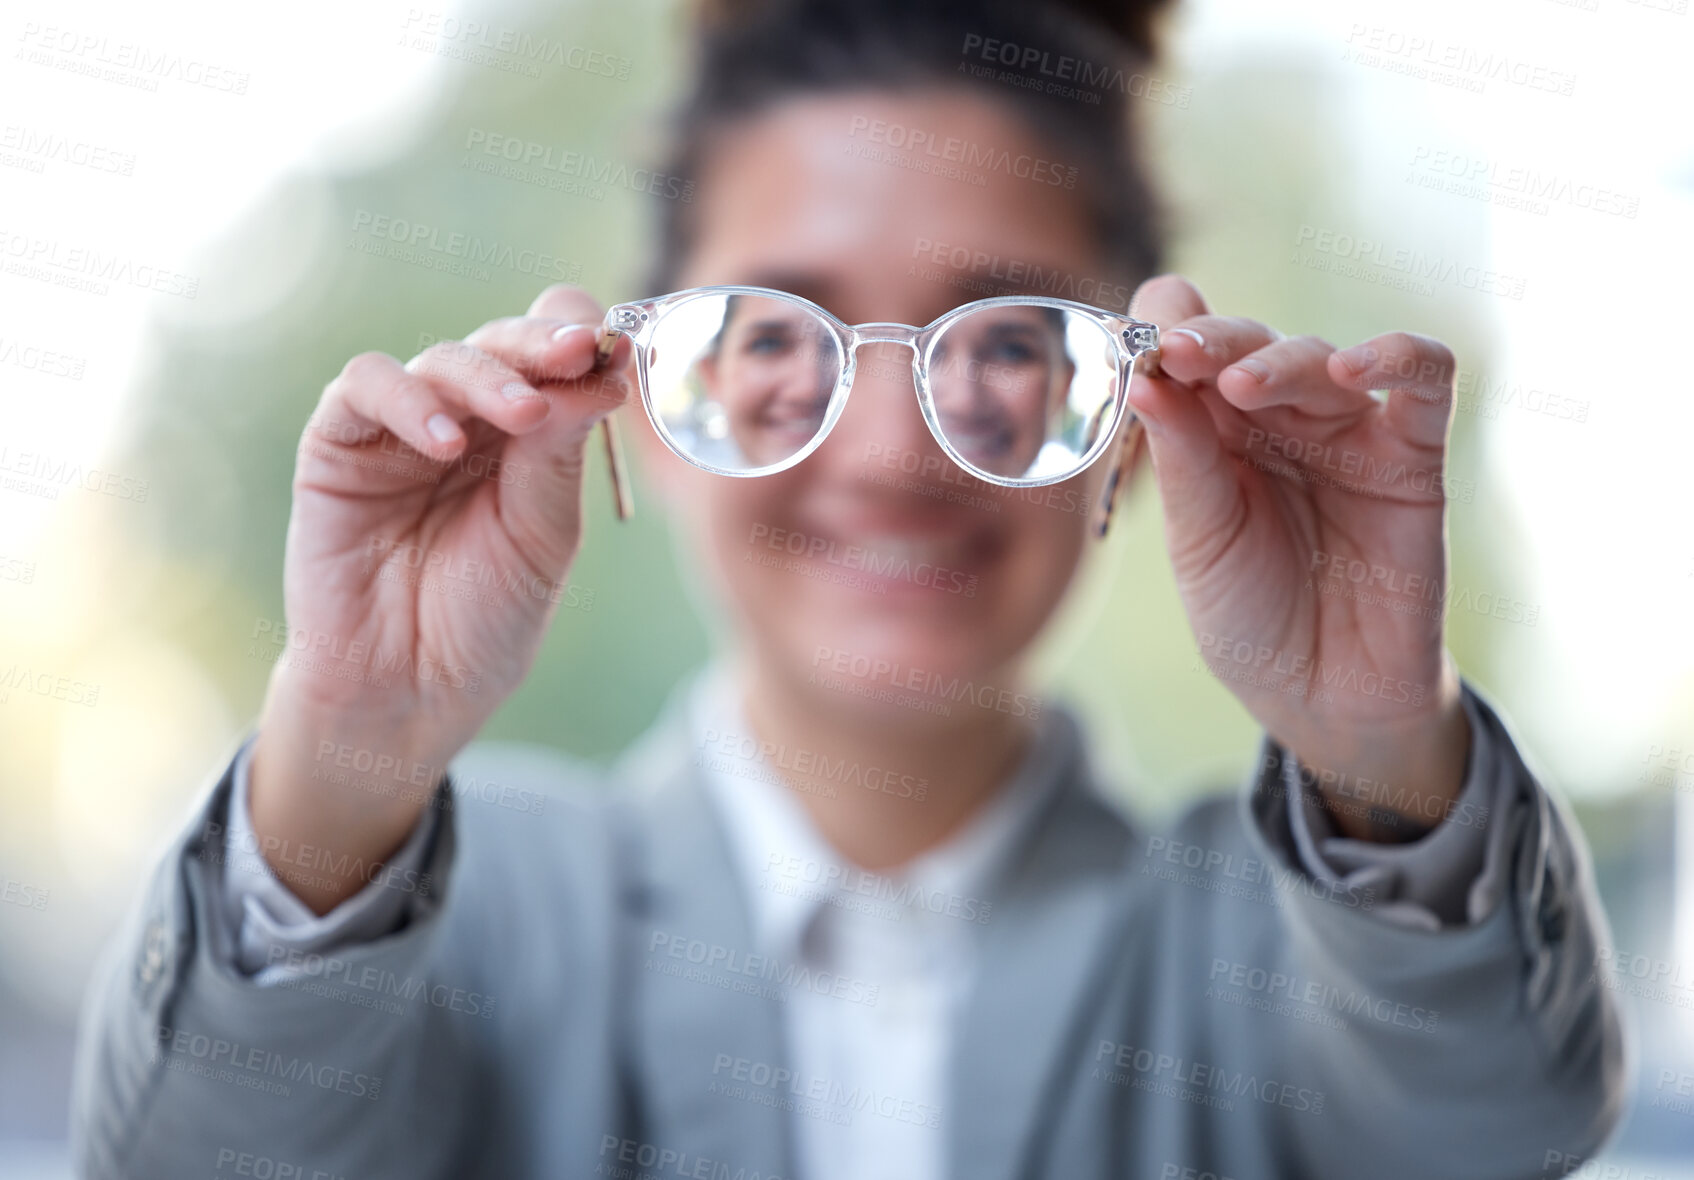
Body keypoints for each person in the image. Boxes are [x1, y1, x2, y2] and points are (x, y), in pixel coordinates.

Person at [70, 0, 1626, 1177]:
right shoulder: (465, 917)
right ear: (642, 407)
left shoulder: (1271, 940)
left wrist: (1378, 747)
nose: (887, 450)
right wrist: (344, 745)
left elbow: (1497, 1123)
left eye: (1008, 345)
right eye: (775, 343)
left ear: (1132, 432)